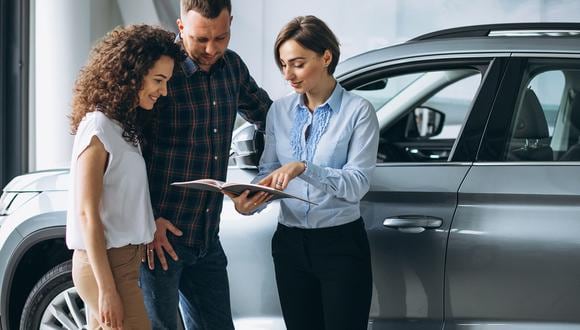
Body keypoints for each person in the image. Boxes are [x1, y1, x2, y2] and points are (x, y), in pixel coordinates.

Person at [230, 15, 379, 330]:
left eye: (297, 64)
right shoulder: (279, 111)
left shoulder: (358, 111)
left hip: (340, 245)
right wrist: (253, 199)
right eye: (283, 65)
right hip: (289, 244)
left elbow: (358, 184)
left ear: (326, 57)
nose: (288, 75)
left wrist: (305, 168)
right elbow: (270, 171)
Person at [139, 0, 272, 329]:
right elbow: (128, 152)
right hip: (160, 241)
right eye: (201, 39)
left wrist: (269, 177)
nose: (212, 49)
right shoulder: (160, 72)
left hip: (207, 237)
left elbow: (271, 119)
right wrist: (146, 220)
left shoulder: (233, 68)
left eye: (221, 37)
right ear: (181, 27)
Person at [66, 24, 183, 329]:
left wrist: (147, 222)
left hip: (124, 263)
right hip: (105, 266)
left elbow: (119, 196)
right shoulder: (97, 127)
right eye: (158, 80)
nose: (164, 91)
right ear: (131, 73)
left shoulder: (122, 128)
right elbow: (87, 213)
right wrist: (107, 289)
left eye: (167, 82)